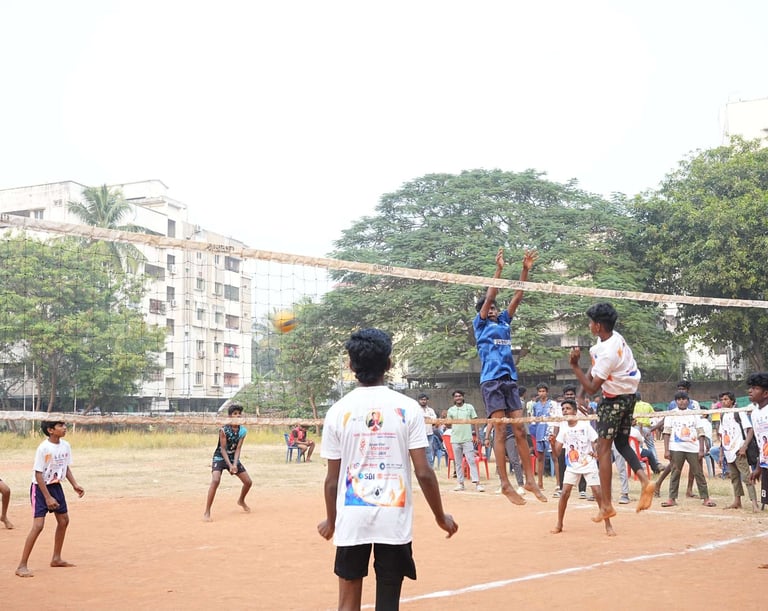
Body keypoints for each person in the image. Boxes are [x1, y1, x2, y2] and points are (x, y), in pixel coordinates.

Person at [317, 328, 458, 611]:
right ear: (389, 364)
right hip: (393, 519)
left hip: (352, 518)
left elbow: (332, 481)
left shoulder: (337, 411)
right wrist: (440, 516)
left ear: (351, 365)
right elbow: (424, 472)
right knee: (388, 602)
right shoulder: (408, 408)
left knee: (347, 603)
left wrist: (331, 521)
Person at [569, 302, 655, 522]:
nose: (589, 325)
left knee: (604, 450)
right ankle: (645, 481)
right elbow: (595, 367)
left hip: (613, 400)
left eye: (590, 322)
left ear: (598, 326)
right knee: (622, 443)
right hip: (629, 397)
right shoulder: (612, 338)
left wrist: (575, 366)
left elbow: (593, 388)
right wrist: (580, 394)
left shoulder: (608, 353)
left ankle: (606, 505)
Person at [474, 247, 546, 505]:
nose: (493, 309)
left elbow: (518, 295)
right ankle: (505, 483)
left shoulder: (504, 322)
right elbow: (490, 294)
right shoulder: (480, 324)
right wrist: (499, 270)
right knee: (500, 430)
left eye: (495, 307)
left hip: (509, 380)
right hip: (491, 381)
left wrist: (525, 270)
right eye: (489, 307)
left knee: (520, 430)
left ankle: (529, 480)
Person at [15, 420, 85, 578]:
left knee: (64, 521)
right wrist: (47, 497)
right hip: (40, 488)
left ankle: (56, 558)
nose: (64, 428)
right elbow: (38, 473)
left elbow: (65, 467)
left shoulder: (65, 446)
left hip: (55, 486)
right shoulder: (44, 448)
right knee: (38, 526)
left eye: (64, 425)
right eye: (60, 426)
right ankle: (22, 565)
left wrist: (74, 485)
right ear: (51, 430)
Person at [550, 399, 615, 536]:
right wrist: (552, 443)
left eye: (568, 408)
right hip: (572, 465)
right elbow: (556, 453)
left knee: (597, 492)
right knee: (564, 493)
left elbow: (595, 441)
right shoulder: (563, 429)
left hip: (588, 463)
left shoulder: (585, 426)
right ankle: (559, 524)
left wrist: (596, 451)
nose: (565, 411)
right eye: (563, 409)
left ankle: (608, 525)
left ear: (575, 411)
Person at [660, 391, 716, 508]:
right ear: (676, 401)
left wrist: (701, 449)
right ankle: (671, 498)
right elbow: (666, 432)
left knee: (698, 473)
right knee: (675, 472)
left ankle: (705, 498)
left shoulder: (694, 414)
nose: (682, 401)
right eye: (679, 399)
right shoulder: (671, 414)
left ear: (688, 401)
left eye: (684, 399)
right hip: (676, 447)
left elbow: (700, 432)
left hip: (693, 448)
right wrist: (666, 450)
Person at [203, 403, 252, 522]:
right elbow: (223, 449)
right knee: (215, 480)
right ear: (230, 416)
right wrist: (229, 465)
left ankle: (241, 500)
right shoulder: (224, 430)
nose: (238, 415)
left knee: (248, 482)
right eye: (235, 414)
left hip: (233, 457)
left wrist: (234, 464)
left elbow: (238, 449)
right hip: (220, 456)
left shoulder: (242, 431)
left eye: (239, 414)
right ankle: (207, 511)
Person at [718, 391, 759, 512]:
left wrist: (744, 446)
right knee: (734, 477)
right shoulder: (723, 414)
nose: (723, 401)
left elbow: (750, 430)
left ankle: (754, 504)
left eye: (726, 399)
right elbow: (722, 435)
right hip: (728, 450)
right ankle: (737, 501)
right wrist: (721, 454)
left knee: (747, 477)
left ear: (732, 401)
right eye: (722, 399)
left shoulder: (739, 412)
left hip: (738, 449)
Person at [446, 390, 484, 492]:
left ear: (463, 397)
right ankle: (460, 483)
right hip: (455, 439)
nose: (458, 398)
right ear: (454, 398)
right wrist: (444, 420)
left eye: (460, 396)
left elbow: (475, 422)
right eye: (456, 396)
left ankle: (477, 484)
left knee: (471, 460)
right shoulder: (451, 410)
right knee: (458, 462)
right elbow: (448, 425)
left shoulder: (469, 407)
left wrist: (477, 436)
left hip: (467, 439)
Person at [748, 373, 768, 513]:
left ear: (765, 393)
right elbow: (761, 443)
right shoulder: (755, 414)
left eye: (755, 388)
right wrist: (758, 468)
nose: (750, 391)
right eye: (751, 388)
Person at [417, 393, 437, 468]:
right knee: (420, 451)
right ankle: (420, 468)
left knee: (429, 451)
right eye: (421, 400)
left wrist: (426, 417)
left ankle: (430, 468)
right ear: (419, 400)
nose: (423, 401)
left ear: (427, 400)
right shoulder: (416, 409)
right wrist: (428, 417)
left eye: (424, 399)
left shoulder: (430, 410)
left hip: (429, 434)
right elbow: (418, 418)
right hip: (419, 434)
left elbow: (434, 419)